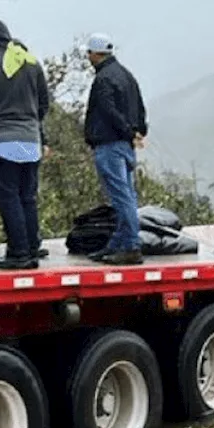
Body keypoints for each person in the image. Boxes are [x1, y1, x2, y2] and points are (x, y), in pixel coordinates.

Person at [0, 19, 50, 270]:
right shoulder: (32, 65)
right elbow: (44, 103)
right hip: (30, 141)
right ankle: (33, 248)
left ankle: (19, 253)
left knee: (8, 197)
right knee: (27, 197)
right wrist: (32, 125)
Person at [82, 33, 147, 265]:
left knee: (121, 198)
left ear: (96, 54)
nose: (88, 57)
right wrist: (138, 131)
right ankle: (117, 244)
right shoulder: (126, 76)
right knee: (127, 194)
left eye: (89, 52)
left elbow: (108, 110)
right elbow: (140, 107)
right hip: (126, 147)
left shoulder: (103, 79)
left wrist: (127, 131)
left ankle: (130, 245)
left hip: (110, 145)